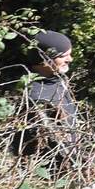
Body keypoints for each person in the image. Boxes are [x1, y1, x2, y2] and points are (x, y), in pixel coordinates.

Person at [18, 29, 82, 161]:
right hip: (53, 170)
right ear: (44, 59)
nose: (70, 59)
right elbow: (52, 145)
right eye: (63, 56)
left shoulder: (57, 79)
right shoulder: (36, 96)